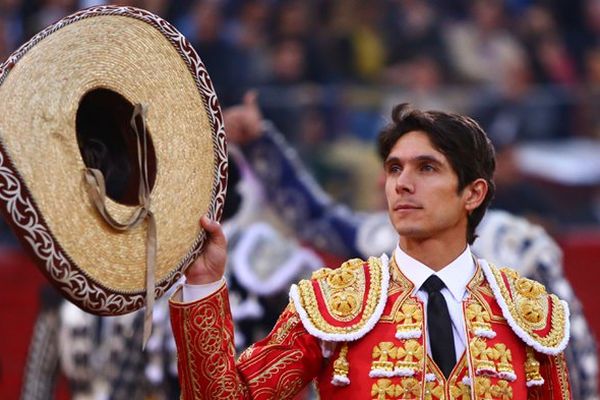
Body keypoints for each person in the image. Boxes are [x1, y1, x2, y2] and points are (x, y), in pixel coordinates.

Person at [169, 103, 572, 398]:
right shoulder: (331, 301)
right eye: (395, 168)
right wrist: (204, 286)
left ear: (473, 193)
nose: (401, 183)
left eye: (426, 168)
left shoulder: (526, 312)